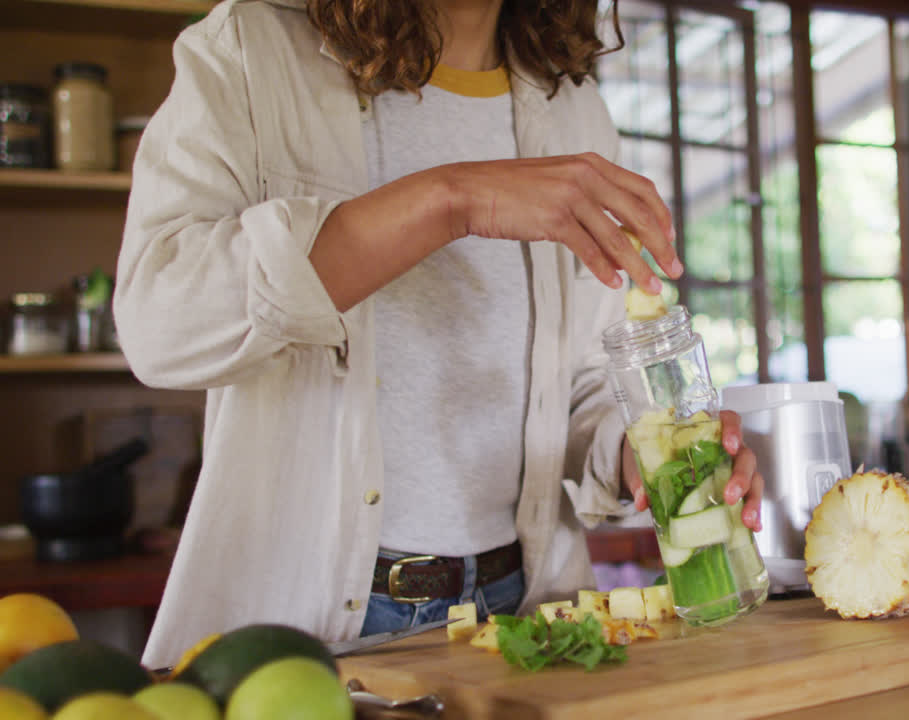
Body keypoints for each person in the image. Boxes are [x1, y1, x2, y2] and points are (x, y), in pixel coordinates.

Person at [116, 0, 766, 670]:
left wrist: (640, 453)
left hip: (524, 612)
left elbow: (583, 385)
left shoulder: (574, 108)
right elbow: (160, 323)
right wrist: (451, 199)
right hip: (305, 628)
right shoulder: (252, 51)